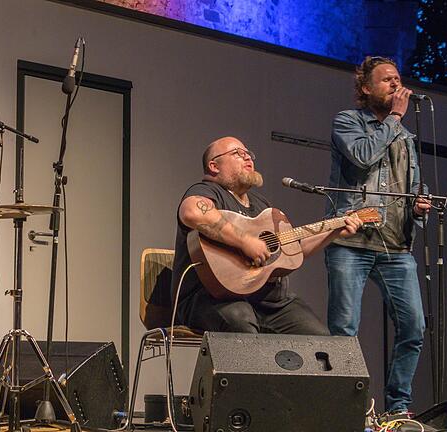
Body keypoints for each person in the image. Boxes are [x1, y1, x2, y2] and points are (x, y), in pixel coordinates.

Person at [324, 56, 431, 415]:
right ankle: (345, 411)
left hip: (396, 247)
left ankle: (398, 407)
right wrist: (396, 119)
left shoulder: (407, 139)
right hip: (350, 242)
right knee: (344, 329)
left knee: (413, 326)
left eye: (398, 80)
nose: (396, 86)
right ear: (366, 88)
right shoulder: (348, 121)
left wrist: (418, 205)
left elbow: (412, 185)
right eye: (387, 80)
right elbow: (362, 157)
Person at [171, 136, 362, 335]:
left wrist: (334, 230)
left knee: (318, 338)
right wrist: (245, 241)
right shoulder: (208, 191)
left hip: (267, 302)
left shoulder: (262, 206)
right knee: (240, 318)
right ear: (214, 166)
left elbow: (292, 250)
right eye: (238, 154)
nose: (248, 159)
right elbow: (192, 212)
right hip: (212, 298)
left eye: (249, 154)